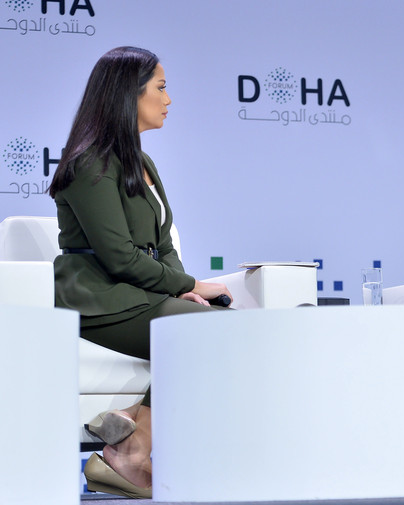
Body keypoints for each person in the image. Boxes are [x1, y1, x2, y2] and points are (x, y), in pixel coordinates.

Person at [49, 46, 233, 498]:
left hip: (137, 292)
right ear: (127, 94)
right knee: (206, 331)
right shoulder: (88, 161)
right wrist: (190, 285)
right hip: (98, 298)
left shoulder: (143, 162)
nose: (169, 100)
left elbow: (163, 244)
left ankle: (129, 434)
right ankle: (130, 451)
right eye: (161, 88)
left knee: (225, 325)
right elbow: (118, 255)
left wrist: (181, 291)